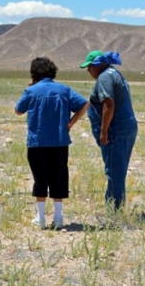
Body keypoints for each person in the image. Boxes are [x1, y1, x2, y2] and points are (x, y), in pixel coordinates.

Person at [15, 57, 89, 229]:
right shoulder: (63, 89)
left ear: (34, 73)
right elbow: (84, 104)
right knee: (59, 177)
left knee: (40, 179)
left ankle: (40, 218)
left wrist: (30, 88)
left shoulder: (32, 91)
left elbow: (18, 110)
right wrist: (71, 123)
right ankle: (58, 217)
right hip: (59, 142)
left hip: (37, 143)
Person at [80, 51, 138, 211]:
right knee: (119, 169)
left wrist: (104, 131)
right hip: (126, 126)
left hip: (115, 129)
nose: (88, 70)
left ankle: (114, 210)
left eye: (90, 66)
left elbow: (108, 103)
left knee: (114, 170)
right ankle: (117, 205)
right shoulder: (114, 73)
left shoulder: (104, 77)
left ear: (98, 65)